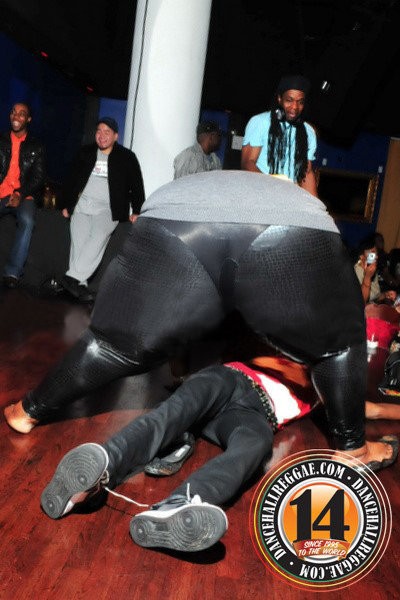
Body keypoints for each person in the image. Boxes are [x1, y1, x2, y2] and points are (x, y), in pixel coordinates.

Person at [4, 170, 397, 471]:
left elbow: (189, 328)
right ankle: (353, 449)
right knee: (340, 346)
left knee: (111, 343)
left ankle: (28, 410)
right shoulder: (303, 208)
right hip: (291, 227)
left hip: (173, 215)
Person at [40, 361, 399, 553]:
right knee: (173, 413)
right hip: (230, 379)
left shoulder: (331, 390)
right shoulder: (291, 348)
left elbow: (377, 410)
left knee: (256, 446)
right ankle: (98, 472)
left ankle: (179, 507)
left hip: (256, 415)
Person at [58, 117, 145, 302]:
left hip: (108, 209)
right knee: (79, 245)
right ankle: (79, 287)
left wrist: (137, 210)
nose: (102, 135)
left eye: (107, 132)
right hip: (81, 206)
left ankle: (70, 278)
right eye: (99, 131)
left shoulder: (127, 157)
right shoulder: (85, 152)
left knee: (98, 238)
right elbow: (71, 179)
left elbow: (137, 186)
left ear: (116, 136)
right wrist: (65, 204)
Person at [241, 74, 317, 196]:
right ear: (279, 99)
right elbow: (247, 163)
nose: (295, 107)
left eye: (300, 102)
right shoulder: (260, 122)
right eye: (289, 100)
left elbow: (306, 173)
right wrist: (274, 189)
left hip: (289, 197)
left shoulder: (309, 132)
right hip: (259, 193)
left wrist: (314, 205)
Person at [0, 102, 46, 288]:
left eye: (21, 114)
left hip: (24, 194)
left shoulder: (36, 146)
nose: (16, 116)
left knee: (27, 220)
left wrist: (20, 193)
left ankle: (12, 272)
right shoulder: (1, 140)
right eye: (13, 112)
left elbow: (39, 177)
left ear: (28, 119)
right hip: (2, 192)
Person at [354, 234, 397, 304]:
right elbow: (360, 302)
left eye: (376, 254)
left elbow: (374, 297)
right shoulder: (355, 272)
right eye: (372, 254)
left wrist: (386, 294)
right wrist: (367, 277)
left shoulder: (372, 270)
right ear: (362, 256)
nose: (376, 257)